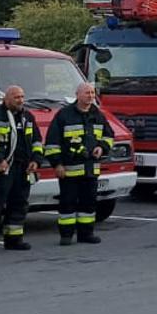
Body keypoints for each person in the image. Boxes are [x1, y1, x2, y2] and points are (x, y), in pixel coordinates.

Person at [0, 86, 45, 253]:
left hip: (23, 168)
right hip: (1, 169)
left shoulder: (27, 117)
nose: (21, 100)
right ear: (6, 99)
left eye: (22, 97)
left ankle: (14, 240)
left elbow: (37, 141)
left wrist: (36, 160)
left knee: (19, 204)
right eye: (16, 97)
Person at [48, 83, 111, 246]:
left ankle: (86, 234)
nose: (90, 96)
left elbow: (109, 136)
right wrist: (57, 164)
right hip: (69, 170)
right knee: (67, 203)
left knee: (89, 203)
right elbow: (52, 143)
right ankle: (66, 235)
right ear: (77, 95)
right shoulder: (64, 115)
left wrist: (101, 147)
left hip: (90, 170)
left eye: (92, 93)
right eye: (87, 93)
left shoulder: (98, 114)